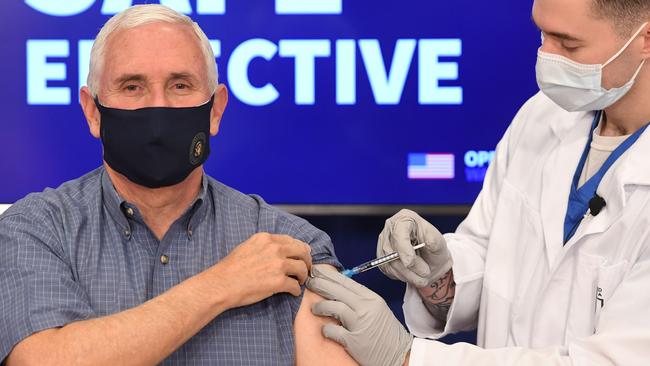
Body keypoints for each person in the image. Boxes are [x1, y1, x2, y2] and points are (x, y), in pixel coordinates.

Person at [0, 5, 358, 365]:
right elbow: (41, 360)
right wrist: (222, 284)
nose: (158, 107)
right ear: (93, 112)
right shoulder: (39, 230)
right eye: (132, 86)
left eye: (180, 85)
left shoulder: (287, 246)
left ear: (215, 110)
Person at [306, 0, 650, 364]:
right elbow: (494, 258)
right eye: (541, 34)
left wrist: (407, 356)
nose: (545, 57)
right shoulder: (542, 117)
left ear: (645, 38)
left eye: (567, 45)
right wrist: (440, 275)